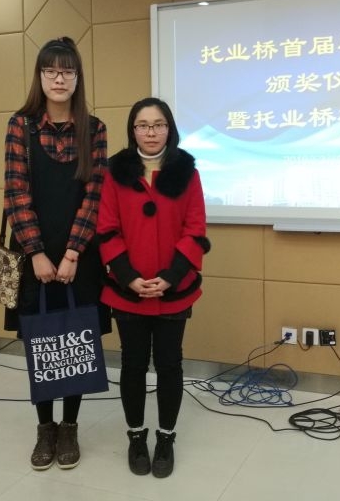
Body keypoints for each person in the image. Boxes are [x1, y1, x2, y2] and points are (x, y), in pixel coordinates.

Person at [2, 37, 109, 470]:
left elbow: (95, 196)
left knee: (76, 339)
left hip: (79, 254)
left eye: (67, 71)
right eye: (50, 70)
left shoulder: (94, 129)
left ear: (78, 77)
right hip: (35, 253)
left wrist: (72, 253)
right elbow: (16, 192)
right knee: (42, 342)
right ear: (40, 76)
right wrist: (37, 253)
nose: (59, 78)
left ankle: (70, 426)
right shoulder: (20, 126)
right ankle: (45, 427)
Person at [97, 97, 209, 478]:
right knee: (132, 364)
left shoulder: (186, 172)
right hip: (127, 288)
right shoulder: (115, 172)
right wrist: (128, 276)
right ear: (133, 130)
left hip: (174, 289)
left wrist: (171, 276)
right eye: (143, 125)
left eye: (158, 124)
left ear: (169, 129)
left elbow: (195, 229)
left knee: (169, 364)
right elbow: (107, 228)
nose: (150, 132)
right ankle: (135, 436)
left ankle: (165, 438)